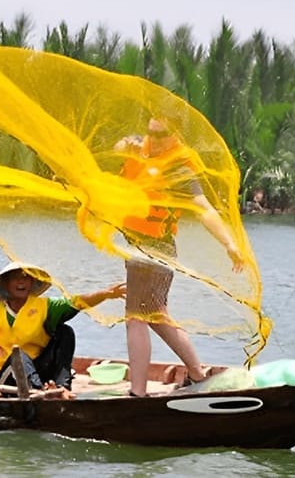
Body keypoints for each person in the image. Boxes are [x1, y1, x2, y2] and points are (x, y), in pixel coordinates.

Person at [114, 116, 245, 396]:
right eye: (152, 132)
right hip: (136, 244)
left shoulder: (180, 168)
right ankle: (197, 374)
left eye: (163, 135)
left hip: (155, 247)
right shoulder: (139, 149)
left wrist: (229, 243)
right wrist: (125, 146)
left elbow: (204, 208)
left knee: (135, 317)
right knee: (156, 315)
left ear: (176, 136)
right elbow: (114, 151)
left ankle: (137, 392)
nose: (156, 140)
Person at [0, 262, 125, 399]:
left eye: (26, 278)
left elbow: (76, 302)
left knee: (65, 332)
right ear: (6, 285)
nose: (21, 282)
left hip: (39, 369)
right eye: (15, 279)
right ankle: (41, 392)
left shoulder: (45, 306)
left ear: (32, 283)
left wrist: (106, 294)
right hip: (6, 376)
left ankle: (61, 388)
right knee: (19, 355)